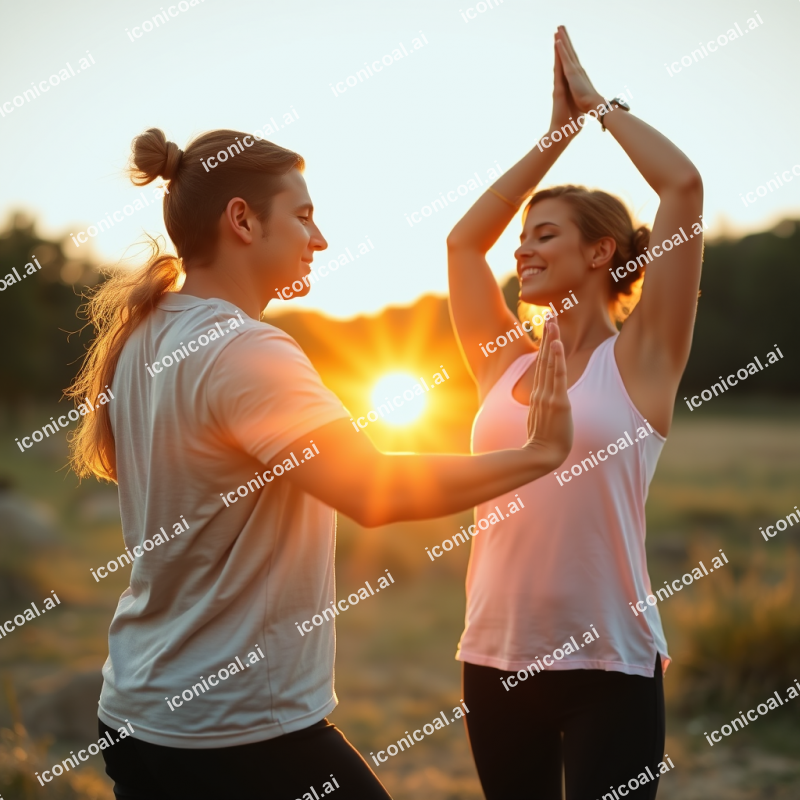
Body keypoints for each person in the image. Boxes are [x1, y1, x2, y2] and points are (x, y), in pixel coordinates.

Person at [64, 126, 573, 800]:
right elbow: (372, 490)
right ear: (242, 220)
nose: (320, 238)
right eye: (302, 215)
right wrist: (538, 454)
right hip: (237, 730)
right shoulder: (247, 350)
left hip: (136, 714)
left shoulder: (145, 336)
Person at [446, 26, 703, 800]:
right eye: (521, 237)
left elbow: (682, 188)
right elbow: (464, 244)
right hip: (494, 657)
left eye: (544, 234)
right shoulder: (503, 360)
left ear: (600, 254)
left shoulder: (644, 359)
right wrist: (553, 138)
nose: (520, 250)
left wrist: (596, 107)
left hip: (610, 666)